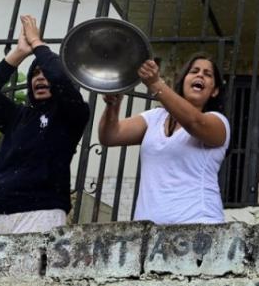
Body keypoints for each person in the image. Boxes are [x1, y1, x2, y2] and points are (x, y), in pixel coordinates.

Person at [0, 15, 90, 235]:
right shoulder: (17, 115)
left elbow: (61, 79)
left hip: (41, 210)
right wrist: (19, 53)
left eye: (46, 73)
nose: (40, 78)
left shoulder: (73, 113)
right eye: (35, 74)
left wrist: (37, 44)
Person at [98, 54, 229, 224]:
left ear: (215, 90)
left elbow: (194, 122)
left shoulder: (218, 122)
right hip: (148, 230)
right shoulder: (155, 117)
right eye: (194, 71)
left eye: (207, 74)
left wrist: (155, 84)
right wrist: (113, 104)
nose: (200, 75)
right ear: (183, 81)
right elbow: (110, 136)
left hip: (199, 226)